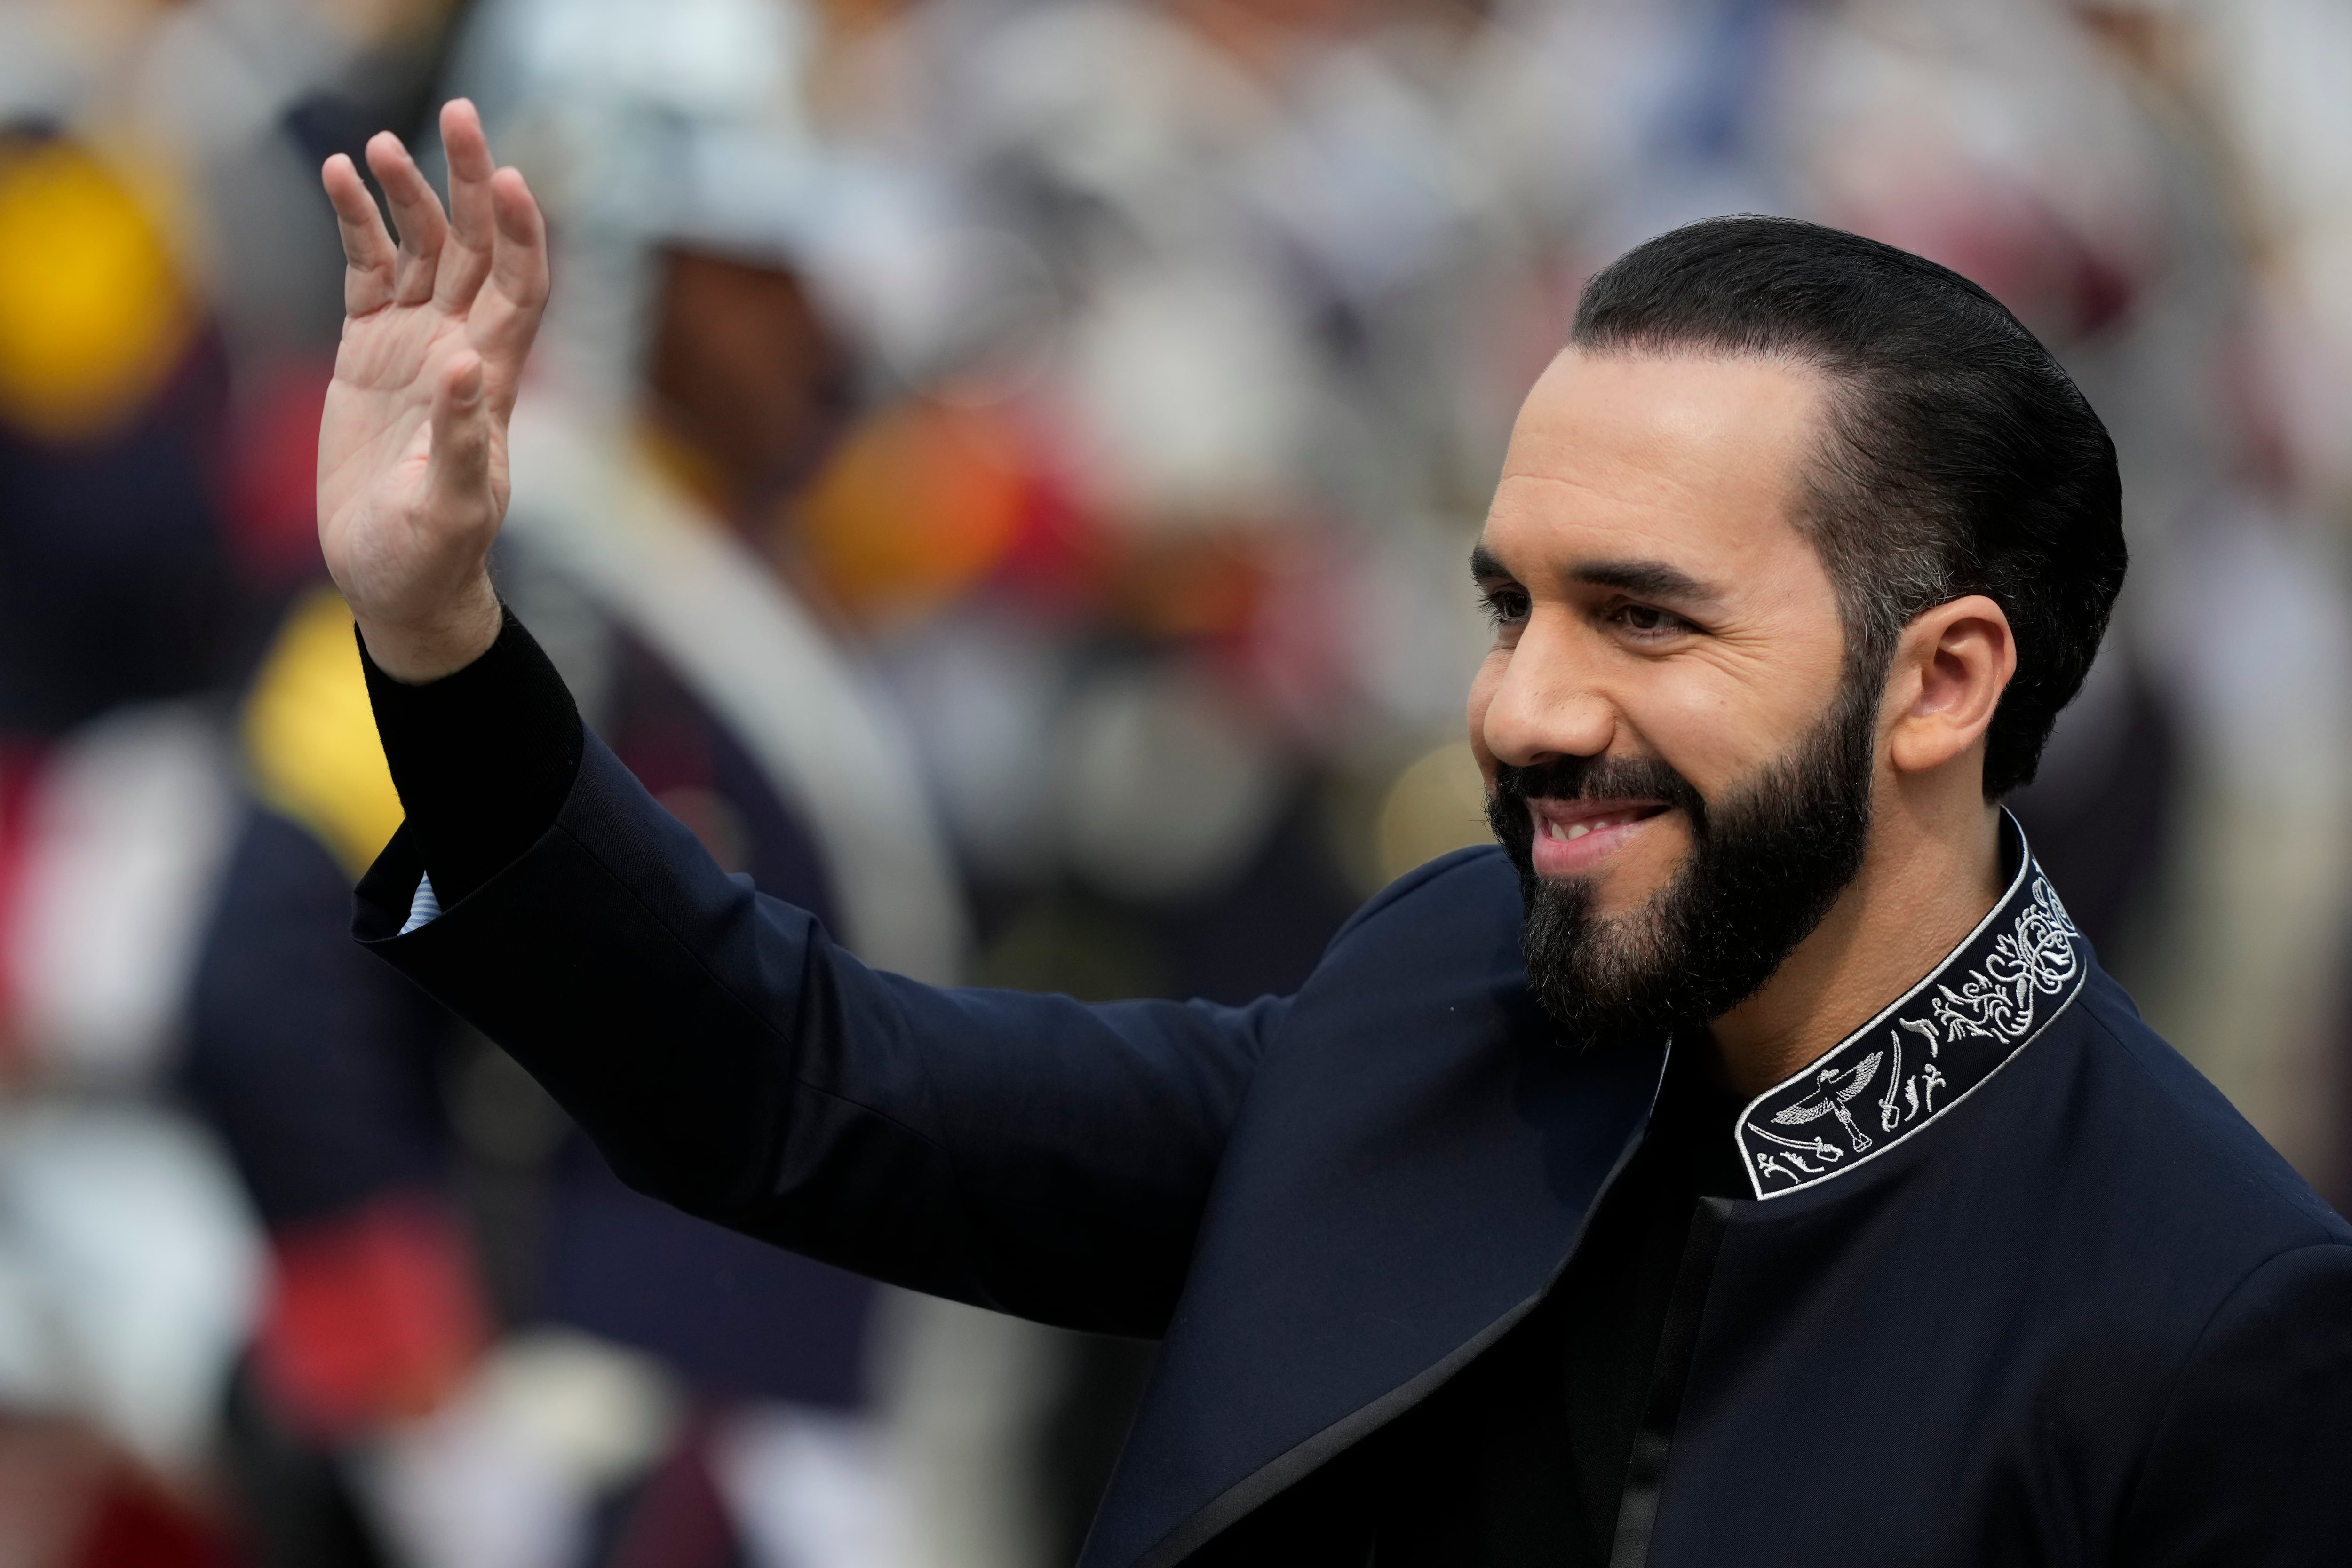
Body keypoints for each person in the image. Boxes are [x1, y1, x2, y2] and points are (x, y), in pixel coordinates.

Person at [314, 102, 2352, 1566]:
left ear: (1942, 682)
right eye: (1507, 605)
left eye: (1640, 617)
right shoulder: (1444, 999)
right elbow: (805, 1082)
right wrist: (442, 643)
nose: (1523, 710)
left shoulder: (2211, 1317)